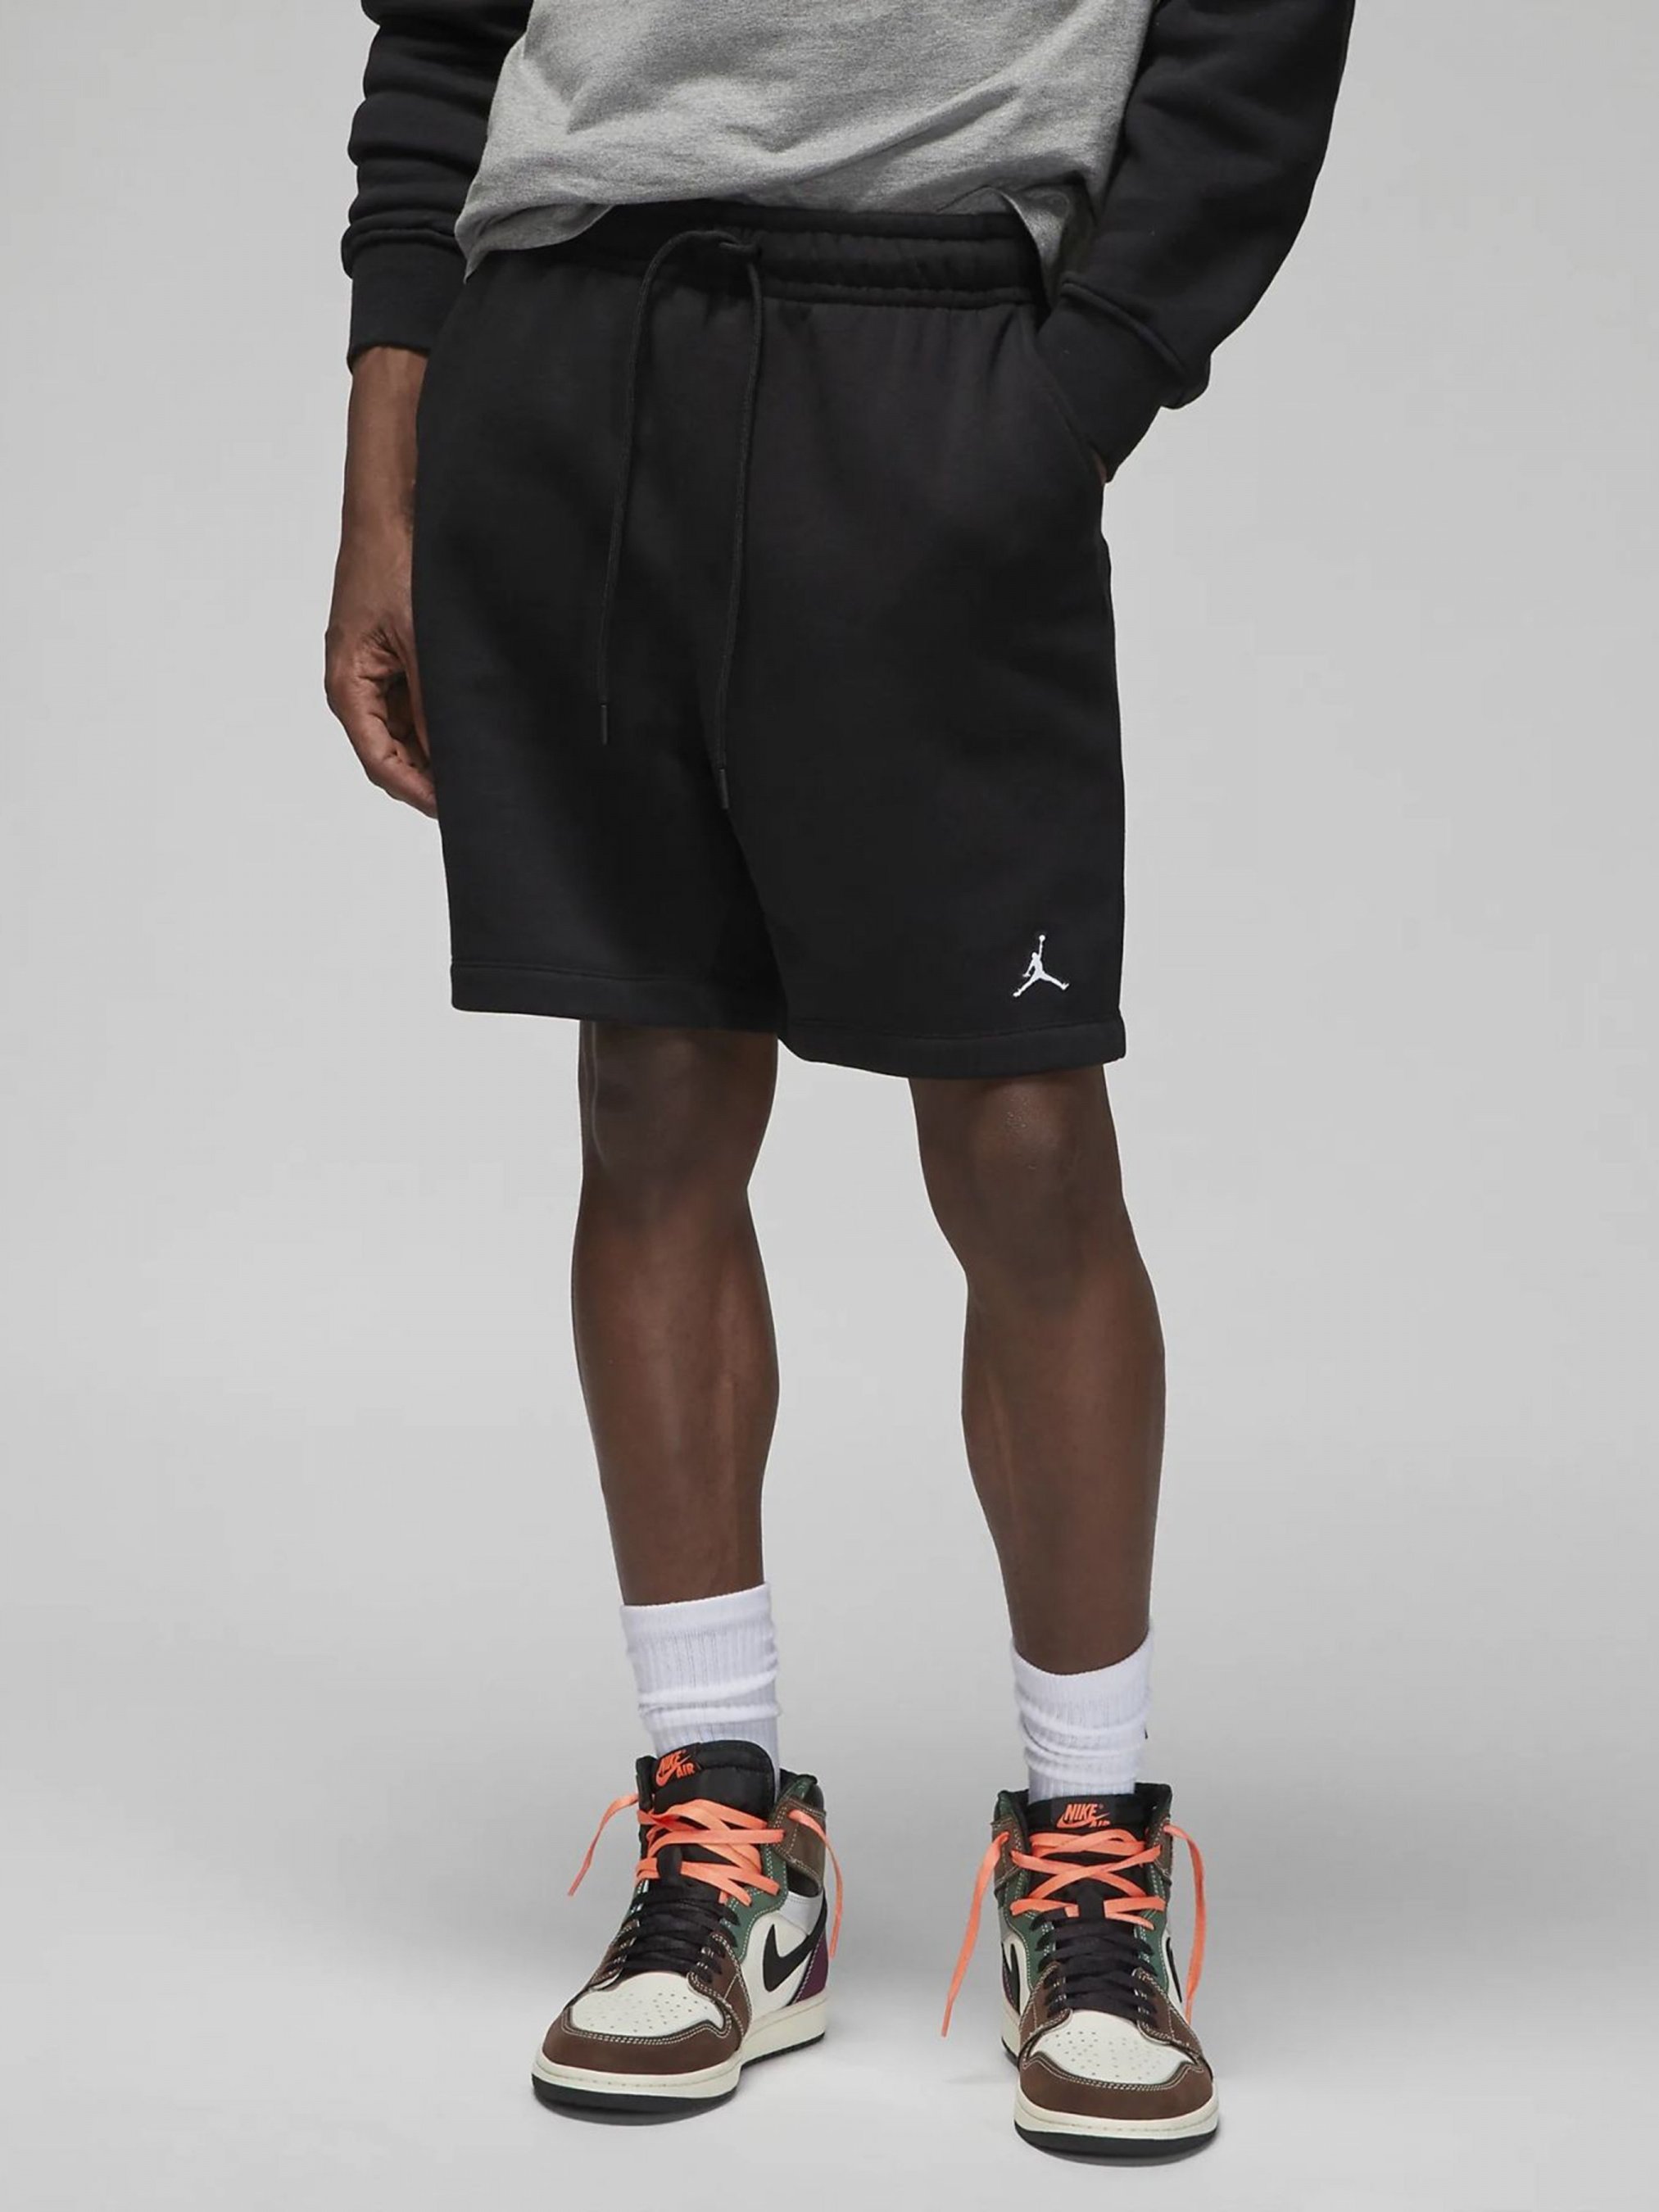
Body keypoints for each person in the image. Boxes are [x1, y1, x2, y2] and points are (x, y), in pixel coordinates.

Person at [328, 0, 1352, 2158]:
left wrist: (1071, 388)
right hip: (570, 355)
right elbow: (443, 36)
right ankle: (720, 1844)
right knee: (650, 1097)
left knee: (1021, 1128)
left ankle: (1090, 1859)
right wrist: (386, 456)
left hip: (930, 348)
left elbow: (1254, 32)